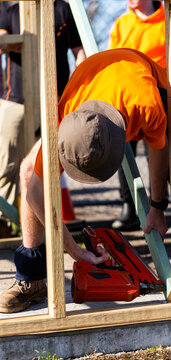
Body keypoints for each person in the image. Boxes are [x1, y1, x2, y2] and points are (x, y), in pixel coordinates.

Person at [0, 48, 171, 338]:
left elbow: (158, 152)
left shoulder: (147, 104)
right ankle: (32, 278)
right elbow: (36, 191)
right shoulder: (67, 113)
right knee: (29, 171)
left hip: (154, 85)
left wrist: (157, 207)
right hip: (95, 83)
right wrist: (75, 251)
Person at [0, 0, 86, 237]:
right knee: (6, 166)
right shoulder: (12, 10)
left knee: (47, 166)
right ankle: (6, 226)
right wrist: (23, 42)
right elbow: (2, 39)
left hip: (55, 99)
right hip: (15, 98)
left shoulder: (62, 8)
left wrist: (77, 87)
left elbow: (79, 51)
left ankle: (48, 229)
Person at [108, 0, 166, 231]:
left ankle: (158, 204)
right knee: (124, 149)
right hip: (128, 95)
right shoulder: (121, 24)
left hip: (159, 93)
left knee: (159, 147)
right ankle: (129, 206)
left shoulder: (166, 21)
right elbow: (114, 60)